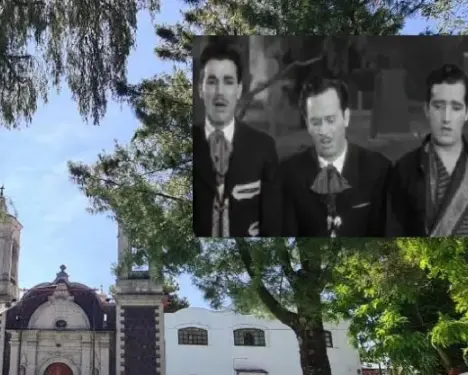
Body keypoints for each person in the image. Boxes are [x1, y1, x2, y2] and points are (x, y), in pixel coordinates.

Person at [280, 76, 392, 237]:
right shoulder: (288, 174)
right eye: (316, 122)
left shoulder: (379, 170)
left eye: (330, 120)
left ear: (346, 117)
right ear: (307, 123)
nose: (324, 131)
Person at [192, 40, 281, 237]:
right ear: (200, 89)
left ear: (239, 90)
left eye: (228, 82)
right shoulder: (187, 146)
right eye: (212, 81)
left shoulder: (264, 147)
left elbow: (274, 224)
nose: (220, 92)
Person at [389, 64, 468, 236]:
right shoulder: (404, 170)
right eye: (438, 106)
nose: (446, 118)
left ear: (467, 113)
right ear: (426, 110)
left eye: (456, 108)